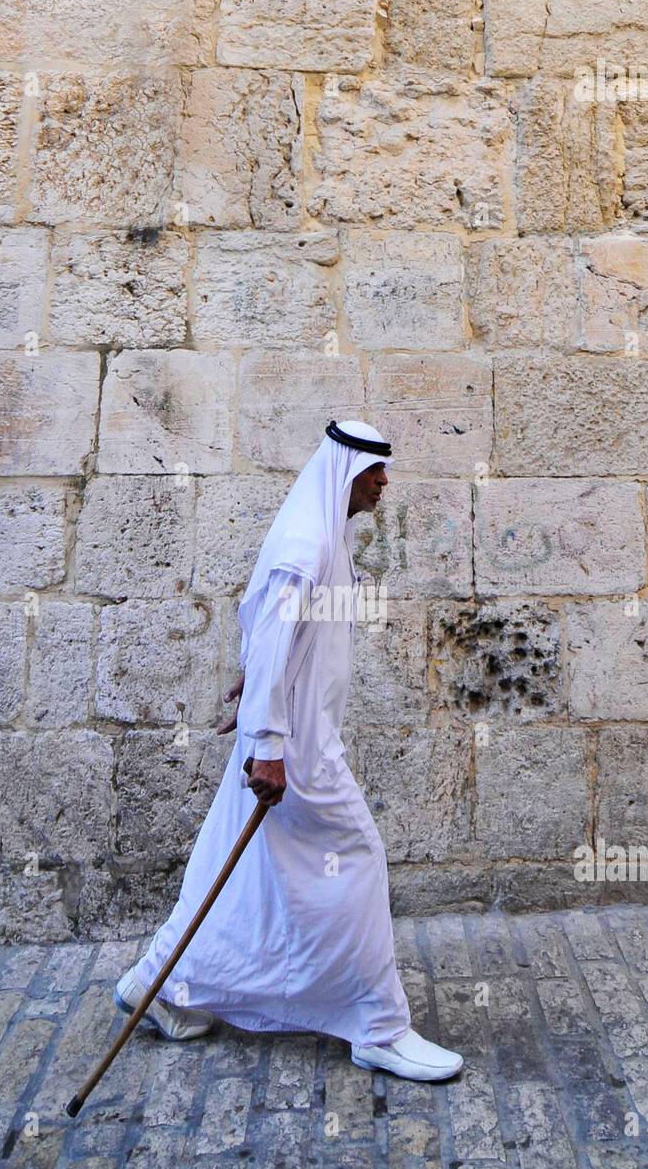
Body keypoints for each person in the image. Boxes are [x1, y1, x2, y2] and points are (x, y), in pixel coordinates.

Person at [114, 419, 463, 1081]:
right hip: (297, 751)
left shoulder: (323, 536)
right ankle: (378, 1027)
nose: (384, 483)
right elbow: (273, 631)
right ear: (344, 474)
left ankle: (163, 984)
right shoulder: (305, 545)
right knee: (356, 860)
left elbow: (275, 634)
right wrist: (268, 743)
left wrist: (257, 694)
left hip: (292, 735)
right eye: (374, 473)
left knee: (243, 869)